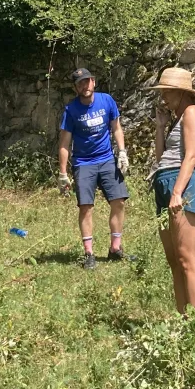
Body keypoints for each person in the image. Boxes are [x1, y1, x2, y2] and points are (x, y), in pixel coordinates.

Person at [149, 67, 195, 315]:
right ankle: (182, 317)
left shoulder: (193, 112)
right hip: (165, 180)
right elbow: (161, 156)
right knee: (174, 260)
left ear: (181, 92)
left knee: (186, 259)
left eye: (167, 92)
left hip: (180, 183)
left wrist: (177, 192)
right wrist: (161, 127)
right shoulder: (178, 118)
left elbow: (191, 156)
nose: (163, 97)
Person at [58, 68, 130, 270]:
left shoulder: (107, 101)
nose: (85, 86)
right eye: (80, 83)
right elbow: (64, 143)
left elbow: (116, 128)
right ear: (76, 87)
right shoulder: (71, 110)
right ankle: (89, 253)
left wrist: (122, 152)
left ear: (94, 82)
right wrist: (63, 173)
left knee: (118, 202)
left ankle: (115, 248)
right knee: (86, 207)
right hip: (83, 163)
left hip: (107, 160)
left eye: (87, 81)